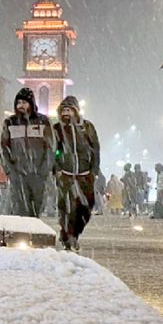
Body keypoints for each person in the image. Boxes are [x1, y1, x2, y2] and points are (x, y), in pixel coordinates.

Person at [52, 96, 100, 251]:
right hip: (65, 175)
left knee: (85, 208)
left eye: (69, 110)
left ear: (76, 111)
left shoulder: (87, 127)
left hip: (84, 175)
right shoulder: (57, 129)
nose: (66, 113)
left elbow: (95, 150)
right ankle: (67, 236)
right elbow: (53, 151)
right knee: (66, 208)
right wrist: (56, 169)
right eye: (63, 110)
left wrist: (94, 170)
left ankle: (75, 233)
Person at [0, 87, 54, 217]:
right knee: (19, 209)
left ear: (31, 103)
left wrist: (44, 170)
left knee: (36, 209)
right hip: (18, 174)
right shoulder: (10, 123)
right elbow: (3, 148)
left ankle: (33, 234)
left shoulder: (43, 122)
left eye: (24, 102)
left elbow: (50, 148)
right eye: (18, 103)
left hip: (37, 174)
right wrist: (10, 170)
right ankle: (21, 235)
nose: (21, 106)